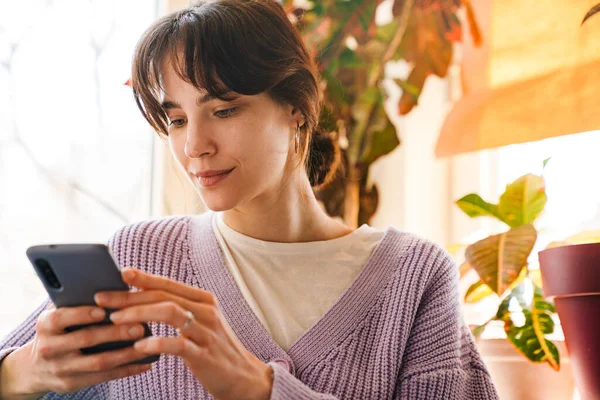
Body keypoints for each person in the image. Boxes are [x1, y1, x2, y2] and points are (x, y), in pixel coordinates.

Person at [0, 0, 500, 399]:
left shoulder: (413, 277)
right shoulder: (140, 258)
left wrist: (260, 389)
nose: (194, 145)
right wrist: (26, 372)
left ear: (297, 109)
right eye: (176, 119)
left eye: (224, 109)